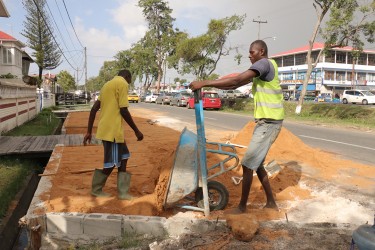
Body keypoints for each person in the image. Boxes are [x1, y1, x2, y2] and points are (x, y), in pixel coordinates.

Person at [189, 40, 284, 213]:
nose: (249, 55)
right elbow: (236, 83)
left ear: (261, 51)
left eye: (252, 52)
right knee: (258, 163)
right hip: (266, 121)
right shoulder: (264, 68)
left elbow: (238, 79)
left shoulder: (263, 63)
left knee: (248, 164)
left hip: (269, 123)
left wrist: (204, 83)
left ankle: (242, 207)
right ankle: (271, 202)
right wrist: (210, 83)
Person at [83, 69, 144, 200]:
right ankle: (96, 189)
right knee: (111, 163)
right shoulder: (122, 84)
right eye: (130, 80)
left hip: (108, 130)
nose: (129, 83)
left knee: (124, 157)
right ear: (127, 77)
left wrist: (89, 131)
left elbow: (94, 109)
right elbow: (123, 110)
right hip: (113, 132)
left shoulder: (107, 85)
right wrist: (136, 130)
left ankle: (123, 192)